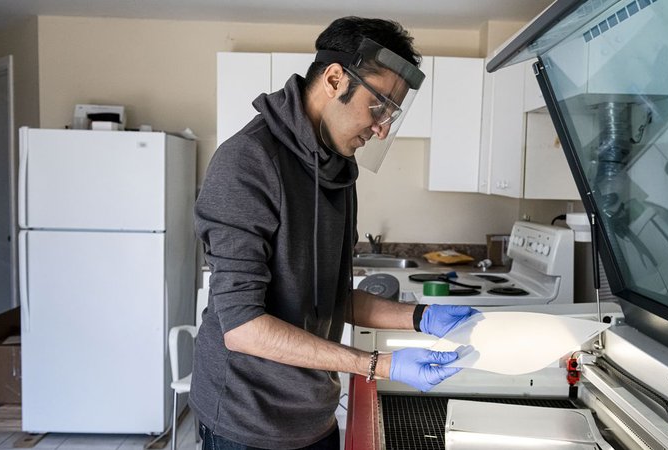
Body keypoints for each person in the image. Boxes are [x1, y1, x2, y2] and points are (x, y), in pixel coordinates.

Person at [191, 16, 477, 450]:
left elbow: (332, 295)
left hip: (314, 412)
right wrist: (378, 365)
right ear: (334, 78)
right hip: (247, 421)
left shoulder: (337, 169)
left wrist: (420, 318)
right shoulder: (248, 163)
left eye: (391, 114)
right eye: (378, 106)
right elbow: (243, 327)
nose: (381, 127)